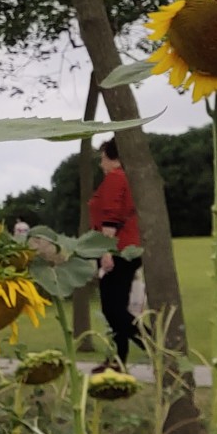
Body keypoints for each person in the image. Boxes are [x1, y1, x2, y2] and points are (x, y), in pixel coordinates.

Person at [87, 138, 142, 365]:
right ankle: (117, 360)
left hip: (118, 250)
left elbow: (111, 216)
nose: (101, 164)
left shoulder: (115, 178)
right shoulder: (127, 178)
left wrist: (106, 252)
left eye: (103, 159)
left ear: (113, 158)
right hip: (126, 248)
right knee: (116, 308)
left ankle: (155, 346)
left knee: (113, 310)